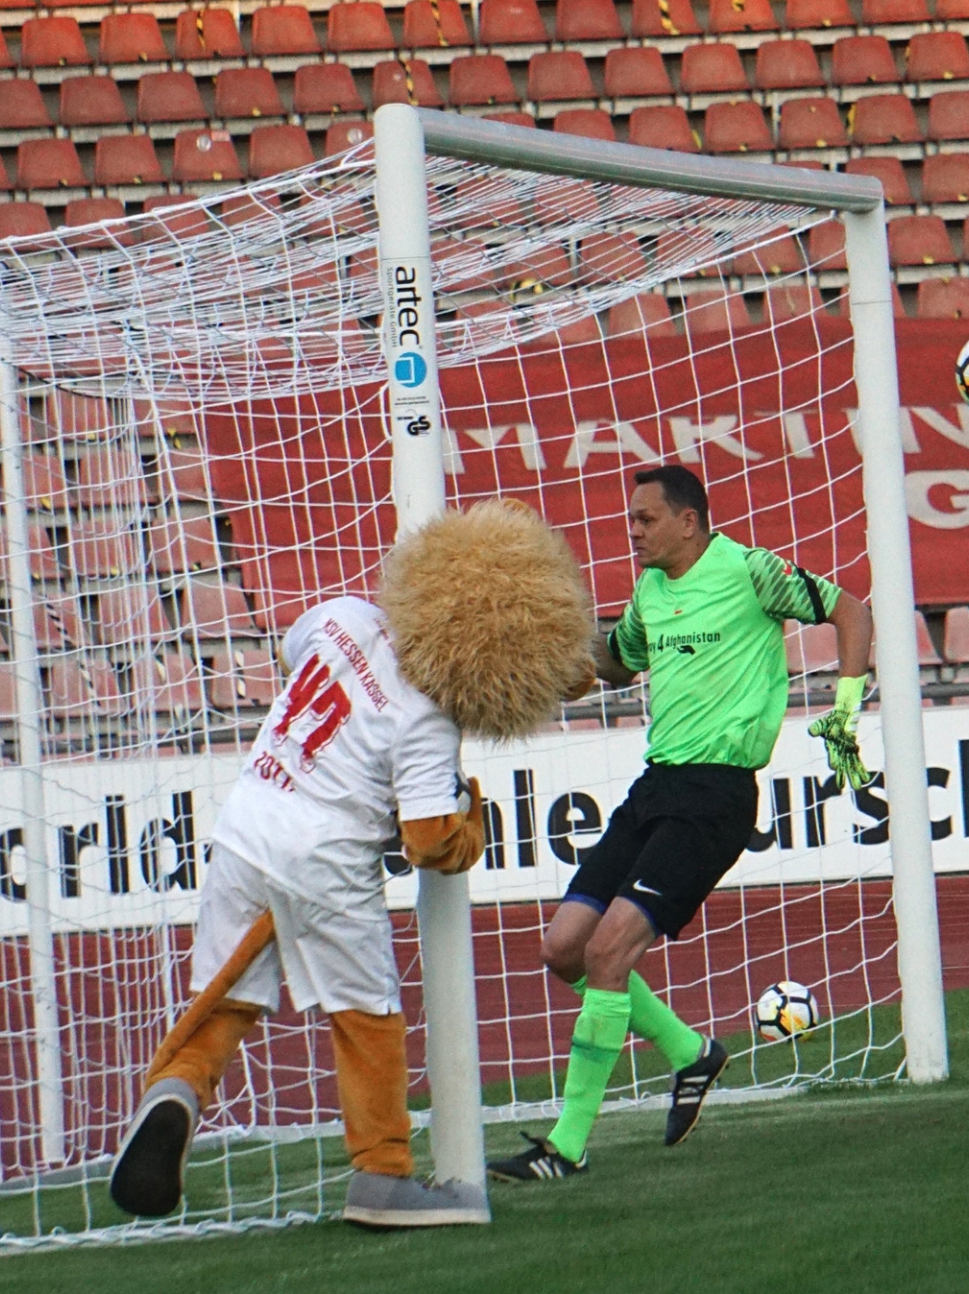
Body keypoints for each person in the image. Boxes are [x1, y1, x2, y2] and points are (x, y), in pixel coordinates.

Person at [110, 500, 596, 1227]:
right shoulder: (429, 718)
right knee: (367, 1016)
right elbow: (429, 841)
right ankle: (382, 1175)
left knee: (227, 995)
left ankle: (175, 1089)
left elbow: (292, 653)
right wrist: (471, 818)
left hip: (248, 819)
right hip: (327, 855)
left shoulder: (345, 617)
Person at [488, 465, 873, 1183]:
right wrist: (538, 646)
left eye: (646, 519)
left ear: (688, 521)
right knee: (563, 949)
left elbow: (851, 611)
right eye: (631, 520)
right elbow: (617, 664)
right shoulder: (649, 592)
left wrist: (845, 712)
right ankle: (693, 1055)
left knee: (608, 953)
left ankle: (566, 1147)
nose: (633, 531)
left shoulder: (751, 572)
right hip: (657, 785)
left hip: (715, 795)